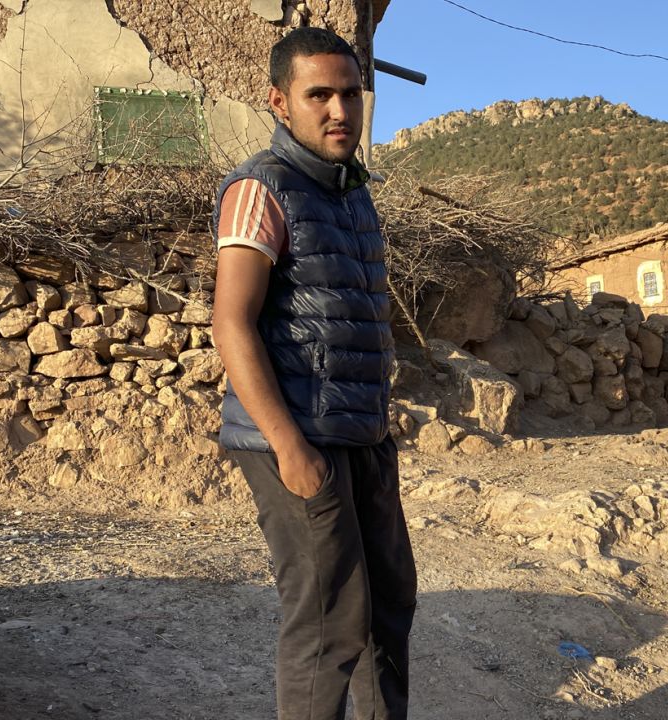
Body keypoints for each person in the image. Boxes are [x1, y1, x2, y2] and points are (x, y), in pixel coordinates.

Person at [210, 26, 417, 720]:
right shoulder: (259, 190)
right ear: (279, 103)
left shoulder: (353, 196)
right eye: (319, 94)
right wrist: (290, 447)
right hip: (298, 439)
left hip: (361, 435)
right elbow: (231, 323)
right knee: (330, 623)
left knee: (389, 603)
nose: (339, 110)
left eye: (351, 93)